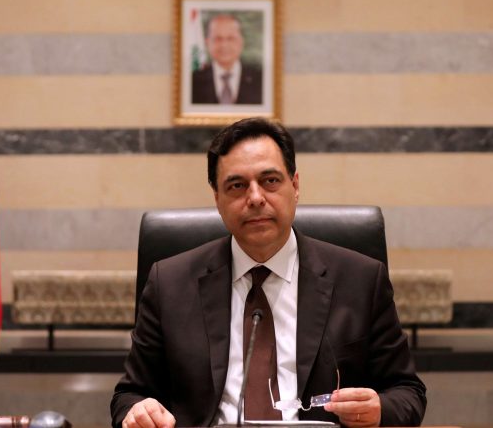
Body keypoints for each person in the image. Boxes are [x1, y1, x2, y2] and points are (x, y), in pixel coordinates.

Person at [110, 117, 426, 428]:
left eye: (270, 180)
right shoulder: (169, 283)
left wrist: (378, 410)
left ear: (295, 186)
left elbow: (407, 392)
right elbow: (129, 395)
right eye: (237, 186)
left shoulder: (361, 280)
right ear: (217, 198)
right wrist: (139, 411)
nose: (256, 198)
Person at [191, 14, 263, 105]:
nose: (224, 45)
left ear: (241, 42)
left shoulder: (262, 80)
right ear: (207, 43)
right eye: (218, 39)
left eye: (230, 38)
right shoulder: (192, 82)